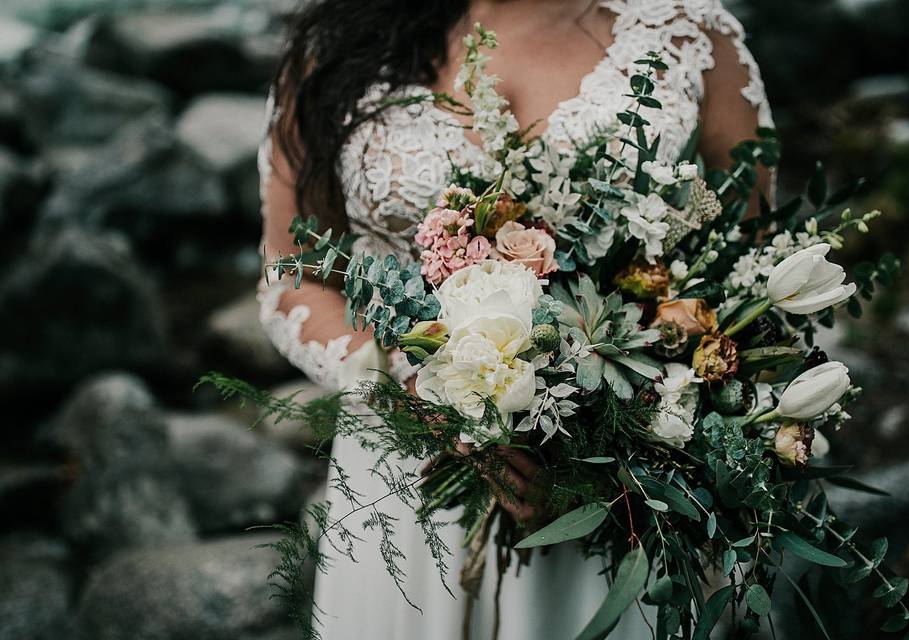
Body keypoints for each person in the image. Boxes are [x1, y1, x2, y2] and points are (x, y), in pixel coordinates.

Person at [258, 1, 772, 637]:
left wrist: (628, 423)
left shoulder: (691, 34)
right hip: (405, 472)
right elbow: (289, 269)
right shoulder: (339, 38)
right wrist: (402, 376)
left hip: (616, 497)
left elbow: (753, 277)